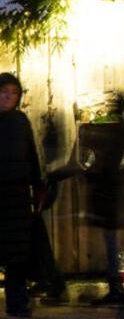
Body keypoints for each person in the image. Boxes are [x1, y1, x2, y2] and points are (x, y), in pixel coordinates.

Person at [0, 73, 43, 319]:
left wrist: (37, 185)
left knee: (18, 253)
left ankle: (17, 304)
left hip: (17, 196)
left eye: (14, 93)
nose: (9, 96)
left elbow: (31, 154)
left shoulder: (20, 120)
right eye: (5, 91)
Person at [85, 92, 124, 307]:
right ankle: (116, 288)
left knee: (110, 244)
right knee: (110, 243)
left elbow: (100, 164)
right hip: (114, 194)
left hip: (107, 196)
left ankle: (116, 290)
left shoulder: (108, 133)